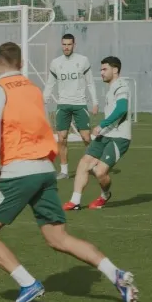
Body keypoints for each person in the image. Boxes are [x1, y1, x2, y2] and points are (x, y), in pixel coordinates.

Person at [0, 42, 138, 302]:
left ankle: (28, 284)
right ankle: (115, 273)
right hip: (44, 170)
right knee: (58, 238)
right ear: (22, 64)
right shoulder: (33, 89)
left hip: (20, 173)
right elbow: (37, 129)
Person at [63, 56, 130, 210]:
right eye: (101, 69)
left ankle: (105, 195)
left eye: (104, 69)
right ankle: (75, 201)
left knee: (100, 172)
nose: (101, 73)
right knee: (84, 163)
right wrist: (103, 129)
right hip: (106, 134)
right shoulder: (111, 88)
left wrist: (102, 125)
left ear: (115, 70)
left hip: (119, 137)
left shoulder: (121, 86)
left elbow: (122, 109)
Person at [42, 34, 98, 179]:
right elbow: (50, 84)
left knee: (86, 137)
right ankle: (64, 171)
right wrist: (43, 100)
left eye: (69, 44)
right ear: (61, 45)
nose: (66, 47)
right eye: (64, 44)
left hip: (80, 104)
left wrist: (95, 102)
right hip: (63, 104)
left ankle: (93, 164)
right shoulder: (55, 63)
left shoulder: (83, 60)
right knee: (62, 138)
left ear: (74, 45)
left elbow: (90, 83)